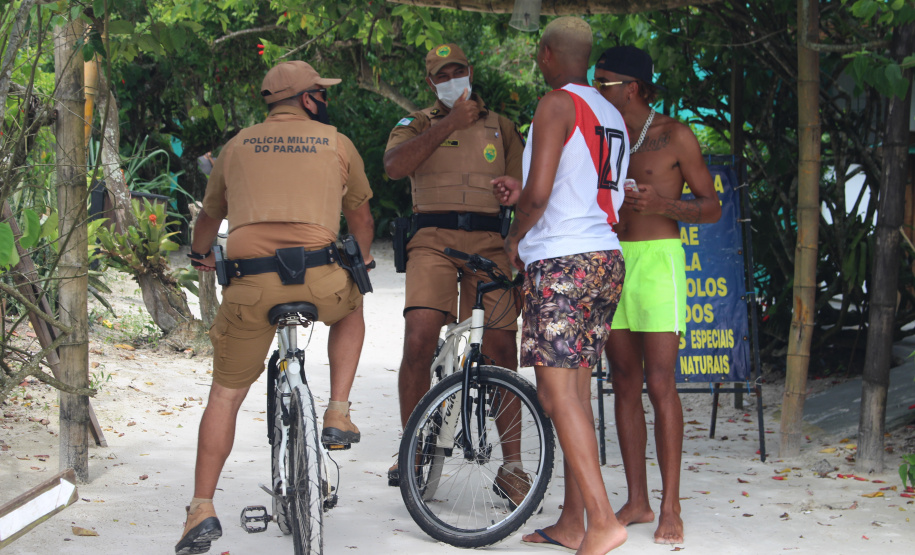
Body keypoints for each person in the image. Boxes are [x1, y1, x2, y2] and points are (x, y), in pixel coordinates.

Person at [175, 60, 374, 555]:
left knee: (224, 396)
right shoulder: (337, 142)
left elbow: (210, 217)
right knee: (352, 306)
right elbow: (361, 216)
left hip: (250, 285)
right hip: (321, 277)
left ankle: (201, 507)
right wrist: (363, 258)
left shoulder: (237, 146)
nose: (323, 100)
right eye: (320, 93)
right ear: (309, 99)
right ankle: (336, 411)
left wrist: (201, 255)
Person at [493, 17, 629, 555]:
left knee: (555, 392)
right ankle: (574, 521)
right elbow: (569, 180)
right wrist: (524, 192)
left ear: (547, 53)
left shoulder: (556, 104)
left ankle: (602, 521)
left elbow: (541, 194)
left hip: (563, 260)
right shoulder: (608, 109)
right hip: (603, 258)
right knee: (572, 393)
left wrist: (513, 237)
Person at [383, 43, 529, 504]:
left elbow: (525, 192)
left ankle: (513, 465)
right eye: (442, 75)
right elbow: (393, 167)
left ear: (471, 70)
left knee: (504, 347)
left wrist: (518, 243)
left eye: (458, 70)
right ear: (430, 83)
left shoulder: (502, 128)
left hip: (490, 242)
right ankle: (413, 450)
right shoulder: (416, 125)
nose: (452, 79)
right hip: (432, 241)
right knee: (420, 337)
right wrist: (448, 123)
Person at [595, 45, 721, 545]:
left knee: (660, 383)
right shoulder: (602, 134)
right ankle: (638, 500)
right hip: (610, 258)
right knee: (623, 379)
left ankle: (671, 505)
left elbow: (711, 207)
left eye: (603, 81)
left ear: (630, 87)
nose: (595, 87)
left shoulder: (675, 134)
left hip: (658, 261)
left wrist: (664, 203)